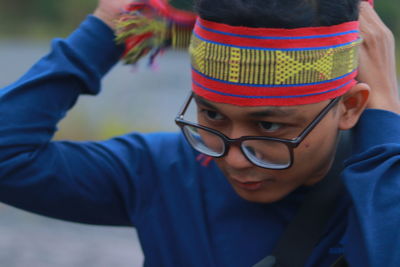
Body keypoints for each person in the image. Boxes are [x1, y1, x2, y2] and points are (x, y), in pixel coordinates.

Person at [0, 0, 399, 266]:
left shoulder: (378, 192)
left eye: (269, 126)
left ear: (350, 107)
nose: (233, 159)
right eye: (212, 116)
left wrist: (385, 116)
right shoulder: (161, 172)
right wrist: (102, 34)